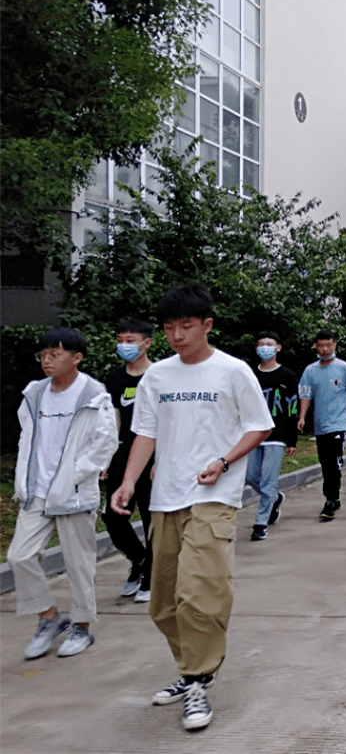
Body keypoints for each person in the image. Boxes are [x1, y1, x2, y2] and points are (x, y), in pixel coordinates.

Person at [111, 283, 273, 731]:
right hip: (165, 499)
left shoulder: (233, 371)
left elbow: (259, 426)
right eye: (169, 328)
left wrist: (223, 462)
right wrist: (128, 482)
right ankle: (191, 670)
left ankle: (197, 678)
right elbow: (145, 432)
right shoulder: (158, 376)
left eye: (186, 326)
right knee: (163, 604)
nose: (178, 336)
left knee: (200, 593)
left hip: (214, 496)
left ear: (207, 326)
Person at [10, 327, 118, 660]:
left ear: (76, 358)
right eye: (43, 355)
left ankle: (82, 628)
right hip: (37, 493)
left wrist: (76, 474)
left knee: (79, 564)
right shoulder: (34, 394)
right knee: (20, 556)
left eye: (55, 354)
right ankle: (50, 618)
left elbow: (106, 443)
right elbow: (28, 439)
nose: (47, 361)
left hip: (72, 493)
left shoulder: (93, 394)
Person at [103, 318, 155, 602]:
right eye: (121, 339)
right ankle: (139, 559)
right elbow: (114, 419)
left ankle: (151, 575)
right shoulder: (114, 379)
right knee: (113, 517)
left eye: (131, 340)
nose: (124, 345)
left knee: (151, 518)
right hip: (123, 454)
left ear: (146, 343)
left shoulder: (160, 376)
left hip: (154, 456)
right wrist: (106, 458)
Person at [298, 329, 346, 522]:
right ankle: (334, 496)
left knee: (333, 461)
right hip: (321, 425)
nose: (325, 349)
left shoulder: (345, 368)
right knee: (326, 463)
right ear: (316, 346)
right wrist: (302, 417)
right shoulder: (310, 371)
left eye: (328, 345)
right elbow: (305, 395)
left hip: (340, 423)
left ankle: (330, 499)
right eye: (321, 345)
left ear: (334, 345)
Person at [248, 331, 299, 541]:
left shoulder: (287, 376)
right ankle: (275, 499)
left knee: (268, 480)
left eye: (269, 344)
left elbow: (292, 407)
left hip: (276, 434)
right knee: (250, 476)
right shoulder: (250, 375)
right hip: (252, 434)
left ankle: (261, 523)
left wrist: (292, 438)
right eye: (261, 344)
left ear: (278, 348)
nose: (264, 347)